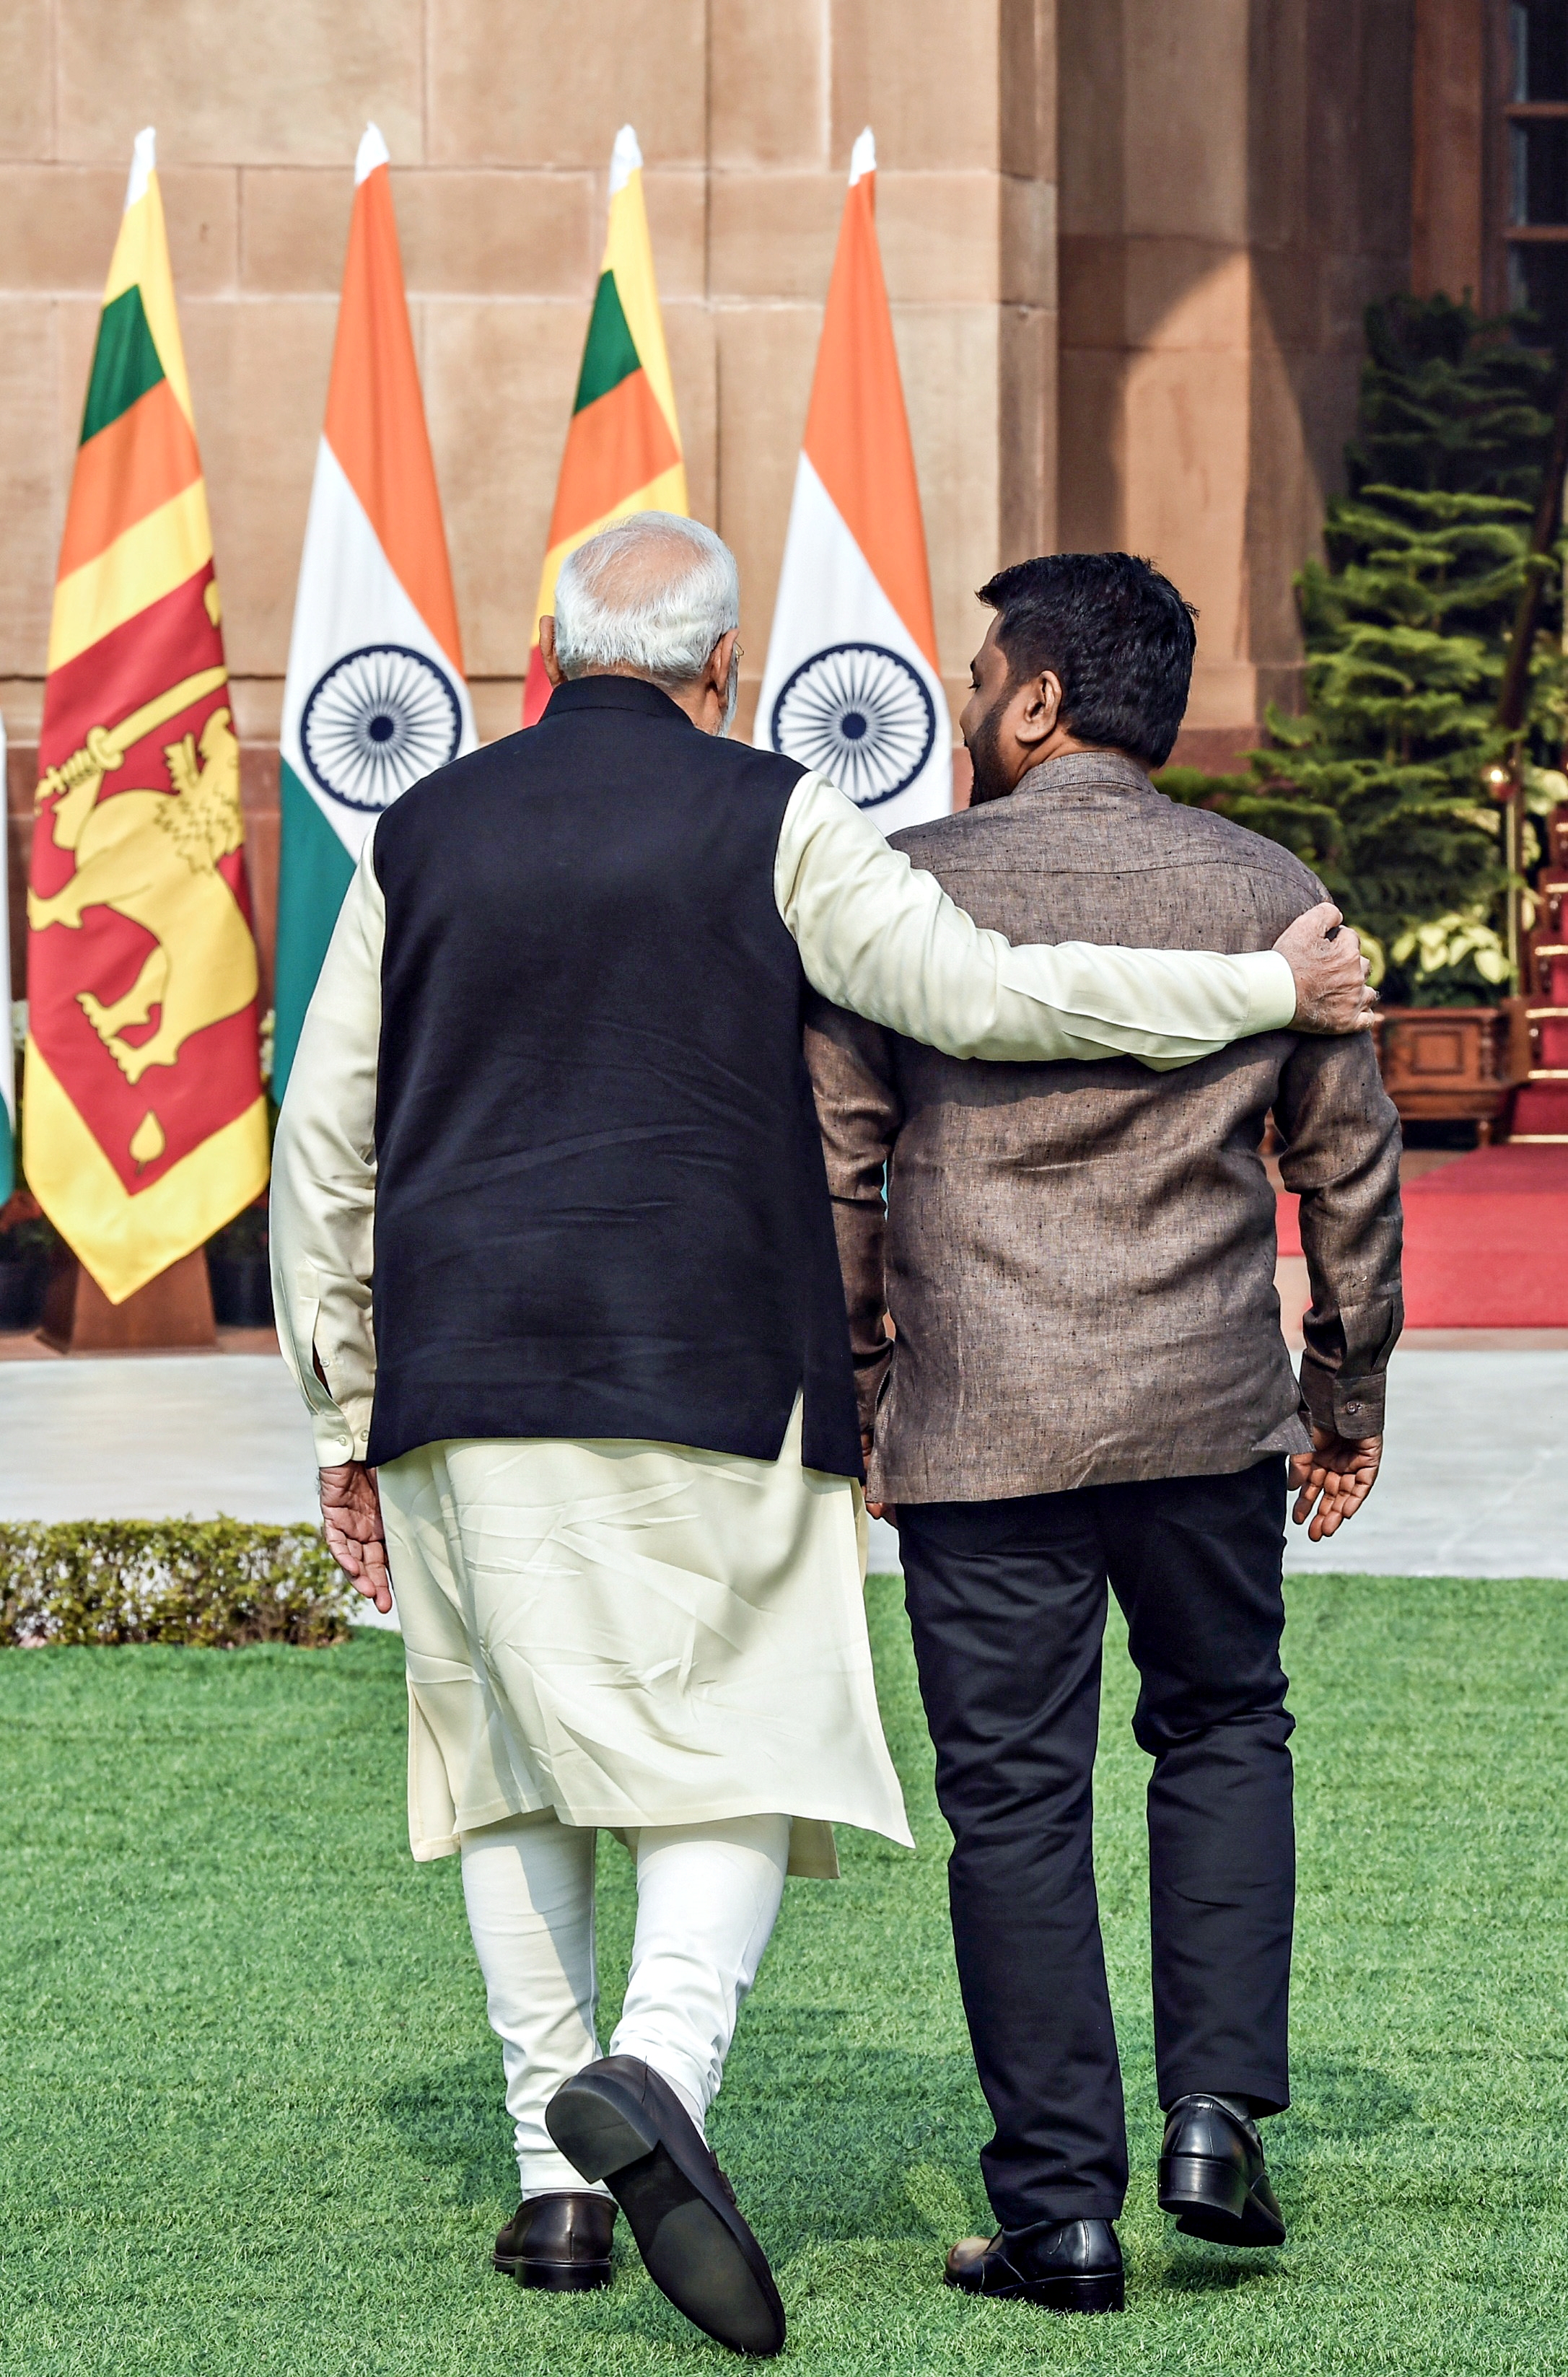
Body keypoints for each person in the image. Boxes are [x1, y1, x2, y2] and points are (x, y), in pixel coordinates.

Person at [269, 516, 1373, 2358]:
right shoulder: (778, 816)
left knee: (500, 1758)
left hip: (457, 1367)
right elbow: (992, 1002)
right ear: (723, 665)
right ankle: (658, 2070)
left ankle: (553, 2180)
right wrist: (1268, 989)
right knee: (744, 1747)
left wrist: (334, 1405)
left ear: (544, 648)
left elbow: (326, 1145)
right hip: (722, 1366)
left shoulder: (423, 831)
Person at [807, 550, 1403, 2320]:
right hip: (1206, 1406)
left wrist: (853, 1408)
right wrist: (1343, 1396)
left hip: (981, 1421)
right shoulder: (1268, 893)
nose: (972, 696)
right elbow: (1347, 1172)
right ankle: (1213, 2119)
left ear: (1040, 700)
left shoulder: (900, 891)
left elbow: (839, 1172)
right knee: (1222, 1730)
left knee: (1014, 1806)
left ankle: (1058, 2215)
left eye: (984, 671)